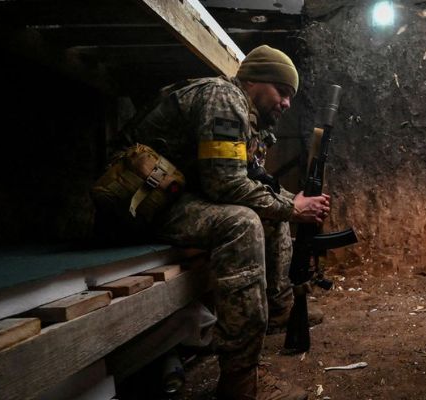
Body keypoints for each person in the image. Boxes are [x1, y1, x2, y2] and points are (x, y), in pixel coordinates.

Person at [104, 45, 328, 400]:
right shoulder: (224, 98)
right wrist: (292, 208)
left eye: (290, 97)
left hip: (178, 196)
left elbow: (252, 181)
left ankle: (279, 308)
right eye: (282, 92)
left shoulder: (247, 116)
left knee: (272, 210)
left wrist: (294, 202)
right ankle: (240, 383)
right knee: (242, 224)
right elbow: (225, 184)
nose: (286, 104)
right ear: (254, 80)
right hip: (142, 206)